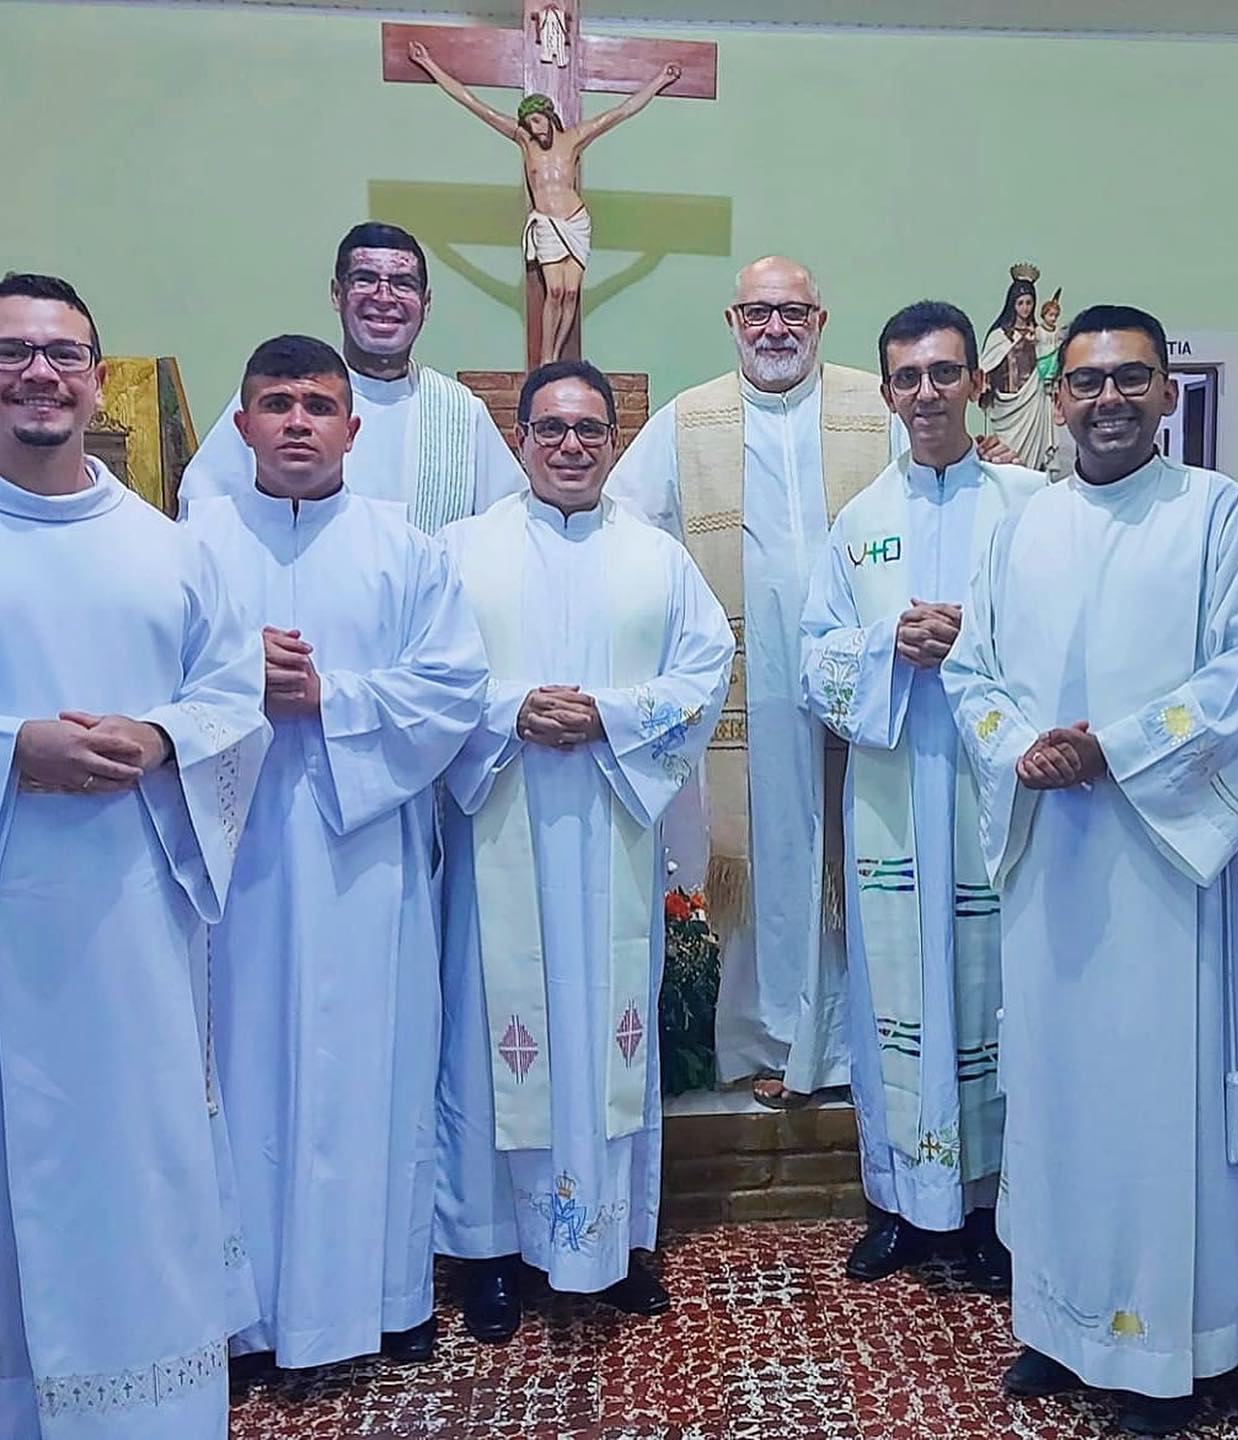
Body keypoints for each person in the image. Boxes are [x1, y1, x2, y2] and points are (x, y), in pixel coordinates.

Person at [943, 304, 1238, 1435]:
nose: (1108, 400)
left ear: (1165, 393)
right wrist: (1020, 749)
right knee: (1055, 1093)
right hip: (1054, 858)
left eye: (1131, 379)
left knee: (1160, 1104)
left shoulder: (1218, 513)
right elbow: (973, 671)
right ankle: (1061, 1325)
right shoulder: (1023, 526)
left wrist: (1118, 749)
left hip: (1166, 866)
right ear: (1057, 398)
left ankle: (1170, 1352)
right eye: (1087, 382)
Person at [185, 335, 489, 1373]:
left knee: (376, 1070)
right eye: (277, 403)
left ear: (353, 429)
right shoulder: (194, 548)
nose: (299, 422)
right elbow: (150, 689)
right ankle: (247, 1318)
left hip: (366, 859)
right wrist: (242, 682)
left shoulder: (406, 550)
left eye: (318, 405)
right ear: (242, 425)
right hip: (236, 861)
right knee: (241, 1075)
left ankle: (387, 1299)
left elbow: (453, 689)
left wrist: (332, 697)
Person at [0, 272, 270, 1439]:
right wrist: (16, 750)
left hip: (131, 938)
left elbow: (235, 702)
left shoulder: (170, 550)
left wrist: (162, 737)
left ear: (97, 377)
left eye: (63, 353)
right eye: (13, 352)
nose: (39, 373)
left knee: (133, 1162)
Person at [434, 360, 732, 1342]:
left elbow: (705, 671)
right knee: (489, 1037)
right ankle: (489, 1254)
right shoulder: (460, 551)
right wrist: (509, 710)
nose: (571, 445)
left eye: (590, 430)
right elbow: (426, 679)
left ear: (613, 440)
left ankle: (610, 1246)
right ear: (519, 438)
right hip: (497, 822)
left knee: (613, 1032)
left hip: (611, 832)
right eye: (551, 428)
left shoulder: (657, 558)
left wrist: (608, 715)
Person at [609, 256, 900, 1110]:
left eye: (793, 313)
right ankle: (767, 1044)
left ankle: (854, 1046)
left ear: (821, 321)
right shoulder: (689, 419)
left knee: (859, 850)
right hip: (748, 686)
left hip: (858, 681)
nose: (776, 329)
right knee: (765, 862)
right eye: (758, 313)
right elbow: (626, 528)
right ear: (733, 323)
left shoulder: (873, 409)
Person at [801, 301, 1044, 1288]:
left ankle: (994, 1208)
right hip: (895, 792)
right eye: (909, 377)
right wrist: (885, 645)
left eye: (946, 373)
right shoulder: (859, 523)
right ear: (887, 391)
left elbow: (1067, 635)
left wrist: (975, 642)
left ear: (976, 382)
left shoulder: (1030, 505)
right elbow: (812, 660)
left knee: (994, 993)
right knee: (895, 995)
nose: (928, 392)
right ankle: (901, 1202)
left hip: (996, 795)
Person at [181, 222, 523, 529]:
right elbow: (204, 516)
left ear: (426, 303)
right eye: (365, 279)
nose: (384, 297)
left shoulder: (461, 412)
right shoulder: (282, 396)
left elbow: (507, 530)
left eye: (403, 284)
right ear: (337, 294)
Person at [408, 42, 680, 364]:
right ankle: (546, 358)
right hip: (547, 224)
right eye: (529, 124)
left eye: (538, 121)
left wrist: (660, 80)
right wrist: (429, 64)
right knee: (555, 291)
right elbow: (473, 103)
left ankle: (557, 354)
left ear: (549, 116)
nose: (535, 129)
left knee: (571, 293)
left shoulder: (575, 139)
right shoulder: (525, 142)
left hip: (575, 221)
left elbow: (622, 111)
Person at [979, 264, 1060, 471]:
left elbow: (1051, 357)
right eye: (1020, 303)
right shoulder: (1000, 336)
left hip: (1035, 400)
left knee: (1035, 460)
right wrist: (986, 384)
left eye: (1029, 303)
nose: (1025, 308)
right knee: (1005, 458)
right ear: (1012, 304)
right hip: (1007, 406)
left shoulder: (1040, 333)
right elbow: (985, 367)